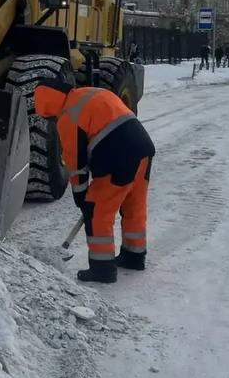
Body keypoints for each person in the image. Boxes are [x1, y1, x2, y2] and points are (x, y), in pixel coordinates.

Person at [33, 78, 155, 284]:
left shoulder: (68, 116)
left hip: (118, 155)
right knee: (133, 205)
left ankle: (102, 268)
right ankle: (134, 256)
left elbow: (75, 162)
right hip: (143, 148)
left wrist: (81, 195)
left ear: (48, 105)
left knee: (98, 211)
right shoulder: (89, 93)